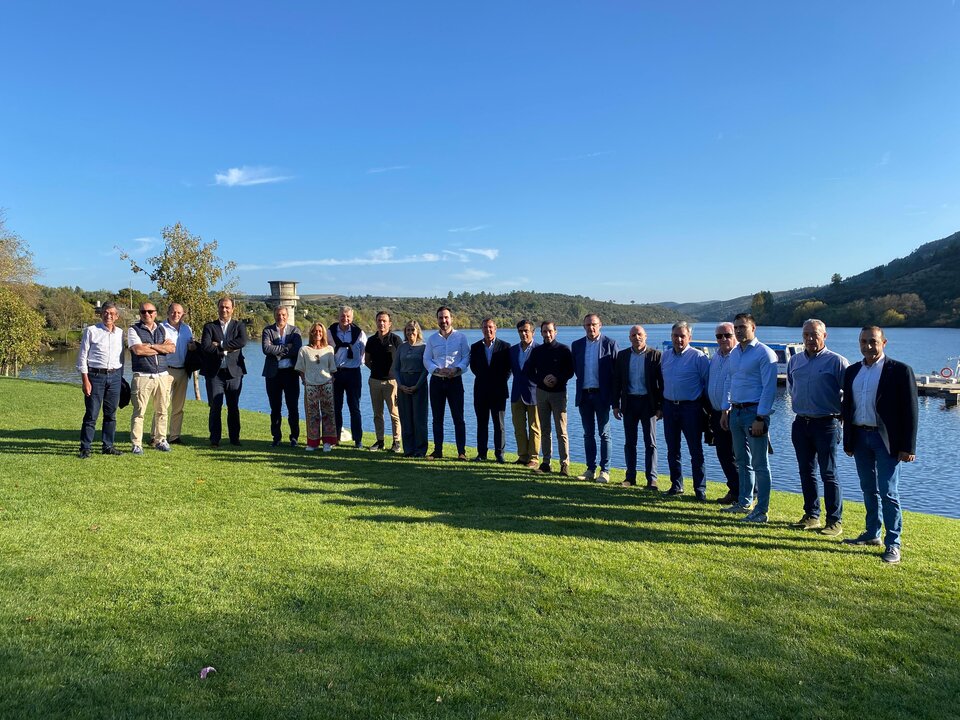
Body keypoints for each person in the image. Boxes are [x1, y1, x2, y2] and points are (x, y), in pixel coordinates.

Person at [841, 326, 918, 564]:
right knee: (867, 489)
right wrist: (849, 440)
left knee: (888, 492)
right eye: (863, 342)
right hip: (860, 437)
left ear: (884, 342)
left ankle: (893, 543)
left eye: (873, 341)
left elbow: (911, 411)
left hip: (887, 441)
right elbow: (848, 408)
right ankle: (872, 533)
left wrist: (908, 447)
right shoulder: (853, 371)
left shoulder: (900, 371)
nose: (868, 346)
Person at [787, 319, 849, 536]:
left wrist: (842, 416)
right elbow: (791, 387)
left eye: (814, 334)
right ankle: (811, 515)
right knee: (806, 472)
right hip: (801, 423)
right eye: (806, 335)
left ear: (825, 336)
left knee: (829, 473)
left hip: (827, 424)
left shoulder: (837, 362)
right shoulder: (794, 361)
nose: (810, 339)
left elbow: (849, 395)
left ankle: (834, 520)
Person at [720, 313, 778, 522]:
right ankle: (744, 502)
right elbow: (730, 380)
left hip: (755, 414)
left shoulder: (765, 354)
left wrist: (761, 417)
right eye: (736, 327)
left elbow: (769, 389)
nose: (738, 331)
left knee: (760, 463)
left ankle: (761, 510)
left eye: (743, 327)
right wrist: (725, 408)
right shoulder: (735, 353)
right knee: (742, 461)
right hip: (736, 412)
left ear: (754, 328)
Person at [660, 321, 709, 499]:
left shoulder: (699, 357)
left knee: (695, 450)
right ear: (671, 337)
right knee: (672, 449)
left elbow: (707, 383)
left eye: (682, 336)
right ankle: (676, 485)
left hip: (691, 408)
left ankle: (700, 489)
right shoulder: (665, 357)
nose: (679, 339)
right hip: (669, 407)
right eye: (675, 336)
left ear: (689, 337)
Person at [612, 325, 663, 489]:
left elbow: (661, 384)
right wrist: (615, 405)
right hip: (630, 403)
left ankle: (652, 479)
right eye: (633, 335)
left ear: (645, 336)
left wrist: (660, 406)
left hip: (648, 404)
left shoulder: (655, 355)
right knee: (630, 442)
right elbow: (617, 382)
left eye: (639, 334)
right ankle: (630, 477)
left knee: (650, 442)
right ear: (629, 338)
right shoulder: (622, 356)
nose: (636, 337)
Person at [571, 313, 619, 483]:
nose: (591, 328)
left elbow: (616, 375)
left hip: (602, 396)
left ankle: (605, 471)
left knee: (604, 434)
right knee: (588, 434)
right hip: (584, 395)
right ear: (584, 327)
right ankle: (590, 469)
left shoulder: (610, 344)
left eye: (594, 324)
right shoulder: (576, 345)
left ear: (600, 325)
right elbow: (575, 370)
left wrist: (615, 402)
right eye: (587, 325)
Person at [76, 302, 125, 458]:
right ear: (101, 314)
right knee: (92, 414)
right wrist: (85, 380)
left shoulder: (120, 333)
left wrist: (120, 377)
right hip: (95, 377)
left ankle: (108, 445)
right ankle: (85, 447)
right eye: (105, 312)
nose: (108, 315)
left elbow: (121, 356)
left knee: (111, 414)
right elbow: (82, 357)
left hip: (115, 376)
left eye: (111, 313)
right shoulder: (91, 331)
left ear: (117, 316)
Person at [526, 321, 575, 476]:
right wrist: (542, 380)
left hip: (559, 394)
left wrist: (557, 378)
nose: (547, 334)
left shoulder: (564, 350)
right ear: (540, 333)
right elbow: (529, 371)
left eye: (550, 331)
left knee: (561, 430)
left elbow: (570, 371)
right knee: (545, 429)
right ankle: (546, 463)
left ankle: (564, 464)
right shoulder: (537, 351)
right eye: (544, 332)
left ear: (555, 332)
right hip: (541, 392)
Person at [127, 301, 176, 455]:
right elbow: (138, 350)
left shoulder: (162, 329)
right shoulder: (133, 330)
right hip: (143, 376)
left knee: (162, 410)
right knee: (139, 411)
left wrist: (151, 346)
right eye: (143, 312)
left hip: (162, 375)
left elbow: (171, 348)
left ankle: (161, 440)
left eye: (150, 311)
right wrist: (160, 347)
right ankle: (137, 443)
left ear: (155, 313)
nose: (146, 314)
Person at [423, 306, 471, 460]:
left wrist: (457, 369)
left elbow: (466, 357)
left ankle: (461, 452)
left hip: (455, 381)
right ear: (437, 320)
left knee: (458, 418)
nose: (443, 321)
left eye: (446, 317)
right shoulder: (432, 339)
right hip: (436, 381)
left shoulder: (461, 338)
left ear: (451, 318)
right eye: (440, 318)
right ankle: (438, 451)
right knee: (437, 418)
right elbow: (426, 359)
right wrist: (436, 370)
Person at [200, 297, 248, 447]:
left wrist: (220, 344)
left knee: (233, 407)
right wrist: (228, 349)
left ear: (233, 309)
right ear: (218, 308)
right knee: (215, 407)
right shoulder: (209, 327)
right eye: (222, 307)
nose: (224, 310)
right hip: (215, 374)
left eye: (227, 307)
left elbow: (242, 342)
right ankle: (215, 439)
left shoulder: (238, 325)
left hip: (234, 373)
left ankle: (234, 439)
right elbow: (206, 346)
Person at [469, 318, 512, 462]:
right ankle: (482, 453)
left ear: (496, 328)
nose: (488, 330)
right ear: (482, 329)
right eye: (485, 327)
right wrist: (485, 379)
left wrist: (498, 382)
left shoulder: (505, 347)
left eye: (490, 327)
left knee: (499, 424)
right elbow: (474, 367)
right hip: (481, 390)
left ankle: (499, 454)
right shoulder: (475, 347)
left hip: (499, 391)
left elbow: (508, 370)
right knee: (482, 423)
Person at [706, 322, 740, 504]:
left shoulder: (738, 357)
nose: (723, 339)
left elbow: (732, 386)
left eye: (727, 335)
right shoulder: (716, 358)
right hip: (716, 412)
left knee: (739, 455)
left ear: (735, 334)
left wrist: (727, 409)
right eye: (719, 336)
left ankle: (748, 492)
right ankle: (734, 490)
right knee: (724, 454)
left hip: (733, 413)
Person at [262, 306, 303, 447]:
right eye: (278, 314)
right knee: (275, 407)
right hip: (273, 374)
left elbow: (297, 350)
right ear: (274, 315)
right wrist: (286, 348)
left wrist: (277, 350)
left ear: (287, 315)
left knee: (293, 407)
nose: (281, 317)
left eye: (284, 315)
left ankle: (294, 437)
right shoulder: (268, 330)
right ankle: (276, 437)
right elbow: (266, 349)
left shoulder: (295, 331)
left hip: (291, 373)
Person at [295, 322, 338, 452]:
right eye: (315, 331)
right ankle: (313, 443)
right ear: (311, 333)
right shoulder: (304, 350)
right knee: (312, 415)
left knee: (328, 414)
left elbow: (332, 368)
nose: (317, 333)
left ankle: (328, 442)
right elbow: (300, 369)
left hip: (326, 385)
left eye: (320, 331)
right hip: (311, 386)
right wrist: (304, 381)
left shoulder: (329, 349)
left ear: (323, 333)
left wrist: (330, 381)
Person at [364, 310, 402, 452]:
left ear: (389, 323)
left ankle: (396, 442)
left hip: (392, 382)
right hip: (375, 381)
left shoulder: (395, 340)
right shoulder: (371, 340)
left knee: (394, 413)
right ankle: (380, 441)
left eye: (384, 321)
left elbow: (401, 360)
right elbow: (367, 361)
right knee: (377, 413)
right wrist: (376, 371)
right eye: (379, 320)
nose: (381, 323)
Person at [329, 306, 367, 448]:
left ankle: (358, 440)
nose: (345, 319)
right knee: (336, 407)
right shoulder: (330, 332)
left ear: (352, 318)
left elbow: (363, 352)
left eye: (348, 317)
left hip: (353, 373)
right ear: (338, 316)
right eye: (342, 316)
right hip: (336, 373)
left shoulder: (359, 333)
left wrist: (356, 363)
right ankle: (335, 438)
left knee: (355, 407)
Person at [158, 303, 195, 445]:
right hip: (165, 370)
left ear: (183, 314)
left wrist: (192, 347)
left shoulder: (187, 329)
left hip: (183, 371)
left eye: (179, 313)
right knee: (162, 405)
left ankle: (174, 436)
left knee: (178, 407)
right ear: (168, 312)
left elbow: (191, 346)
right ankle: (158, 436)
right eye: (173, 312)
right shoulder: (161, 328)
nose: (176, 315)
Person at [392, 320, 428, 457]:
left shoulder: (424, 347)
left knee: (419, 419)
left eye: (412, 330)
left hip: (419, 384)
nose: (410, 332)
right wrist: (400, 385)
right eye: (407, 330)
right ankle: (408, 449)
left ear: (417, 331)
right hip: (403, 384)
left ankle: (420, 450)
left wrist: (417, 385)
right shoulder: (401, 347)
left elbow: (426, 370)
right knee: (406, 418)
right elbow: (395, 369)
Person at [509, 319, 541, 469]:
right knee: (519, 427)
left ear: (532, 332)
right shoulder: (513, 350)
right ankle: (522, 456)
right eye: (521, 331)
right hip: (516, 393)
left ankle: (534, 458)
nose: (523, 334)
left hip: (534, 394)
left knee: (534, 426)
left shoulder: (539, 350)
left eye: (526, 331)